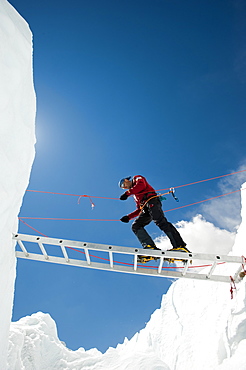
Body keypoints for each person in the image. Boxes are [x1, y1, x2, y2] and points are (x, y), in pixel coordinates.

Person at [119, 175, 189, 262]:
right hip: (145, 208)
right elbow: (139, 209)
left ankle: (180, 246)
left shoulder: (137, 178)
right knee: (136, 226)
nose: (124, 188)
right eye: (123, 188)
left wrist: (127, 194)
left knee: (160, 221)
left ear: (126, 180)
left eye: (123, 185)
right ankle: (150, 247)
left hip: (152, 201)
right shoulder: (135, 196)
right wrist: (128, 217)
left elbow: (141, 186)